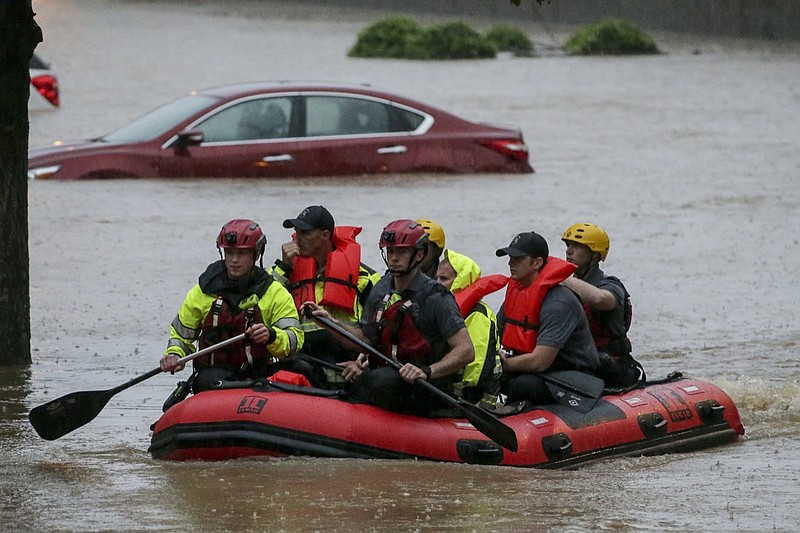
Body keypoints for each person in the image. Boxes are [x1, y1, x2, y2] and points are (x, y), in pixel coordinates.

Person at [304, 219, 474, 416]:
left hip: (424, 386)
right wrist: (330, 323)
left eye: (401, 252)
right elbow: (364, 339)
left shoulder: (436, 297)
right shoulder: (381, 289)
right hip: (387, 380)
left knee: (378, 380)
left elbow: (466, 350)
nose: (394, 258)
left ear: (419, 254)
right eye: (390, 251)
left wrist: (428, 371)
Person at [160, 219, 303, 400]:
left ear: (256, 254)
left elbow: (294, 339)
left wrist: (271, 336)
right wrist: (174, 354)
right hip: (214, 377)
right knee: (209, 379)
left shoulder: (274, 292)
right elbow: (182, 335)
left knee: (299, 367)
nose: (234, 260)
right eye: (230, 253)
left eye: (242, 254)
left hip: (258, 376)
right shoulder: (204, 291)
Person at [270, 205, 380, 387]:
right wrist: (284, 267)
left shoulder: (364, 278)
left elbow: (380, 333)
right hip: (304, 369)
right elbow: (264, 303)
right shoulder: (285, 273)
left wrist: (363, 363)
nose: (297, 239)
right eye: (296, 232)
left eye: (305, 233)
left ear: (325, 235)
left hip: (346, 372)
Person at [495, 231, 601, 405]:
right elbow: (493, 336)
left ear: (537, 263)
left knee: (522, 385)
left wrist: (501, 365)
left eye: (517, 258)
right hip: (536, 370)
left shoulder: (559, 303)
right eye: (509, 257)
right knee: (487, 377)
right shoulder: (516, 296)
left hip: (573, 376)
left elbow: (539, 362)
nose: (510, 263)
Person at [561, 223, 645, 388]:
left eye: (577, 246)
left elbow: (602, 300)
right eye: (568, 245)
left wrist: (560, 277)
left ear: (594, 255)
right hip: (578, 363)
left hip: (610, 367)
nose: (569, 251)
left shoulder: (610, 285)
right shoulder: (566, 287)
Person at [436, 249, 502, 409]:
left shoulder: (478, 314)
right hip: (447, 383)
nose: (437, 283)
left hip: (474, 397)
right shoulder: (441, 308)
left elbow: (476, 370)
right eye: (436, 277)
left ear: (460, 280)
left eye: (444, 279)